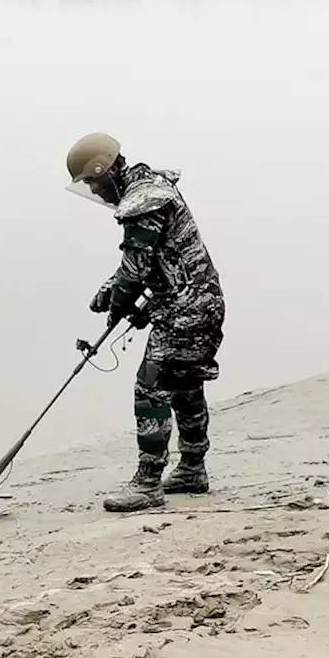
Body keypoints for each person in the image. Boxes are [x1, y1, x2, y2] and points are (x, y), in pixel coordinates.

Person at [66, 133, 226, 512]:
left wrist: (119, 302)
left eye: (91, 181)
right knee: (185, 385)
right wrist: (114, 290)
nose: (93, 189)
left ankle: (148, 482)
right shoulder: (150, 187)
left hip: (186, 309)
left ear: (104, 172)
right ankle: (192, 468)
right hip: (199, 302)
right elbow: (154, 260)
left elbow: (136, 268)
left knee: (151, 387)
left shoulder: (144, 200)